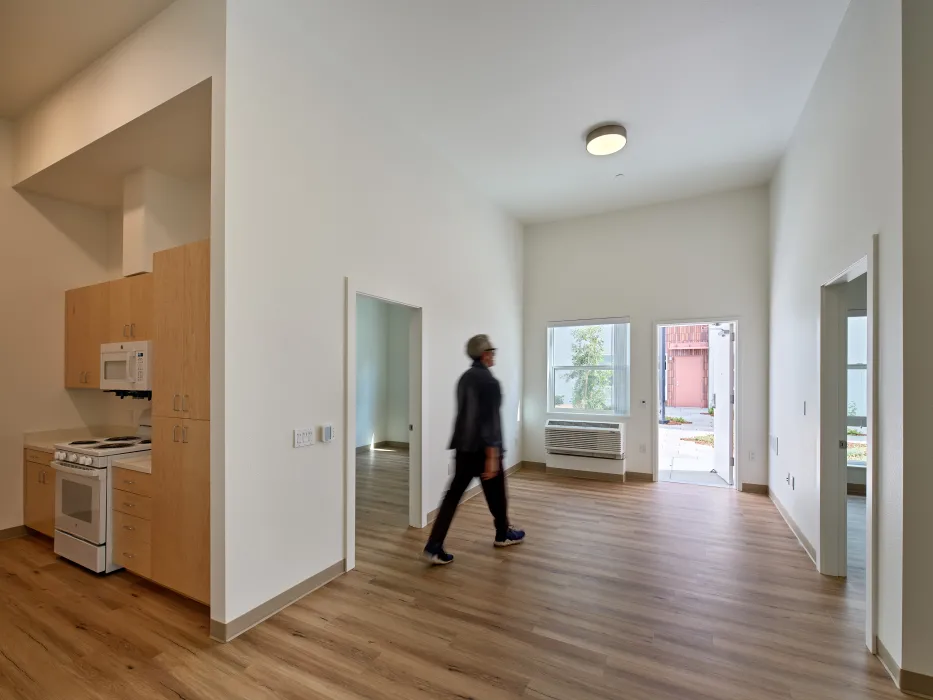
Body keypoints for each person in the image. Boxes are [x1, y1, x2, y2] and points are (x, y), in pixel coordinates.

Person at [423, 334, 525, 565]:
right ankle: (502, 534)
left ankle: (434, 545)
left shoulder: (464, 379)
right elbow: (490, 421)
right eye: (492, 351)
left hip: (463, 449)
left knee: (452, 497)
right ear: (485, 354)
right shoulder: (490, 382)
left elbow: (465, 417)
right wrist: (492, 455)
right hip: (483, 451)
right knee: (497, 495)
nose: (494, 355)